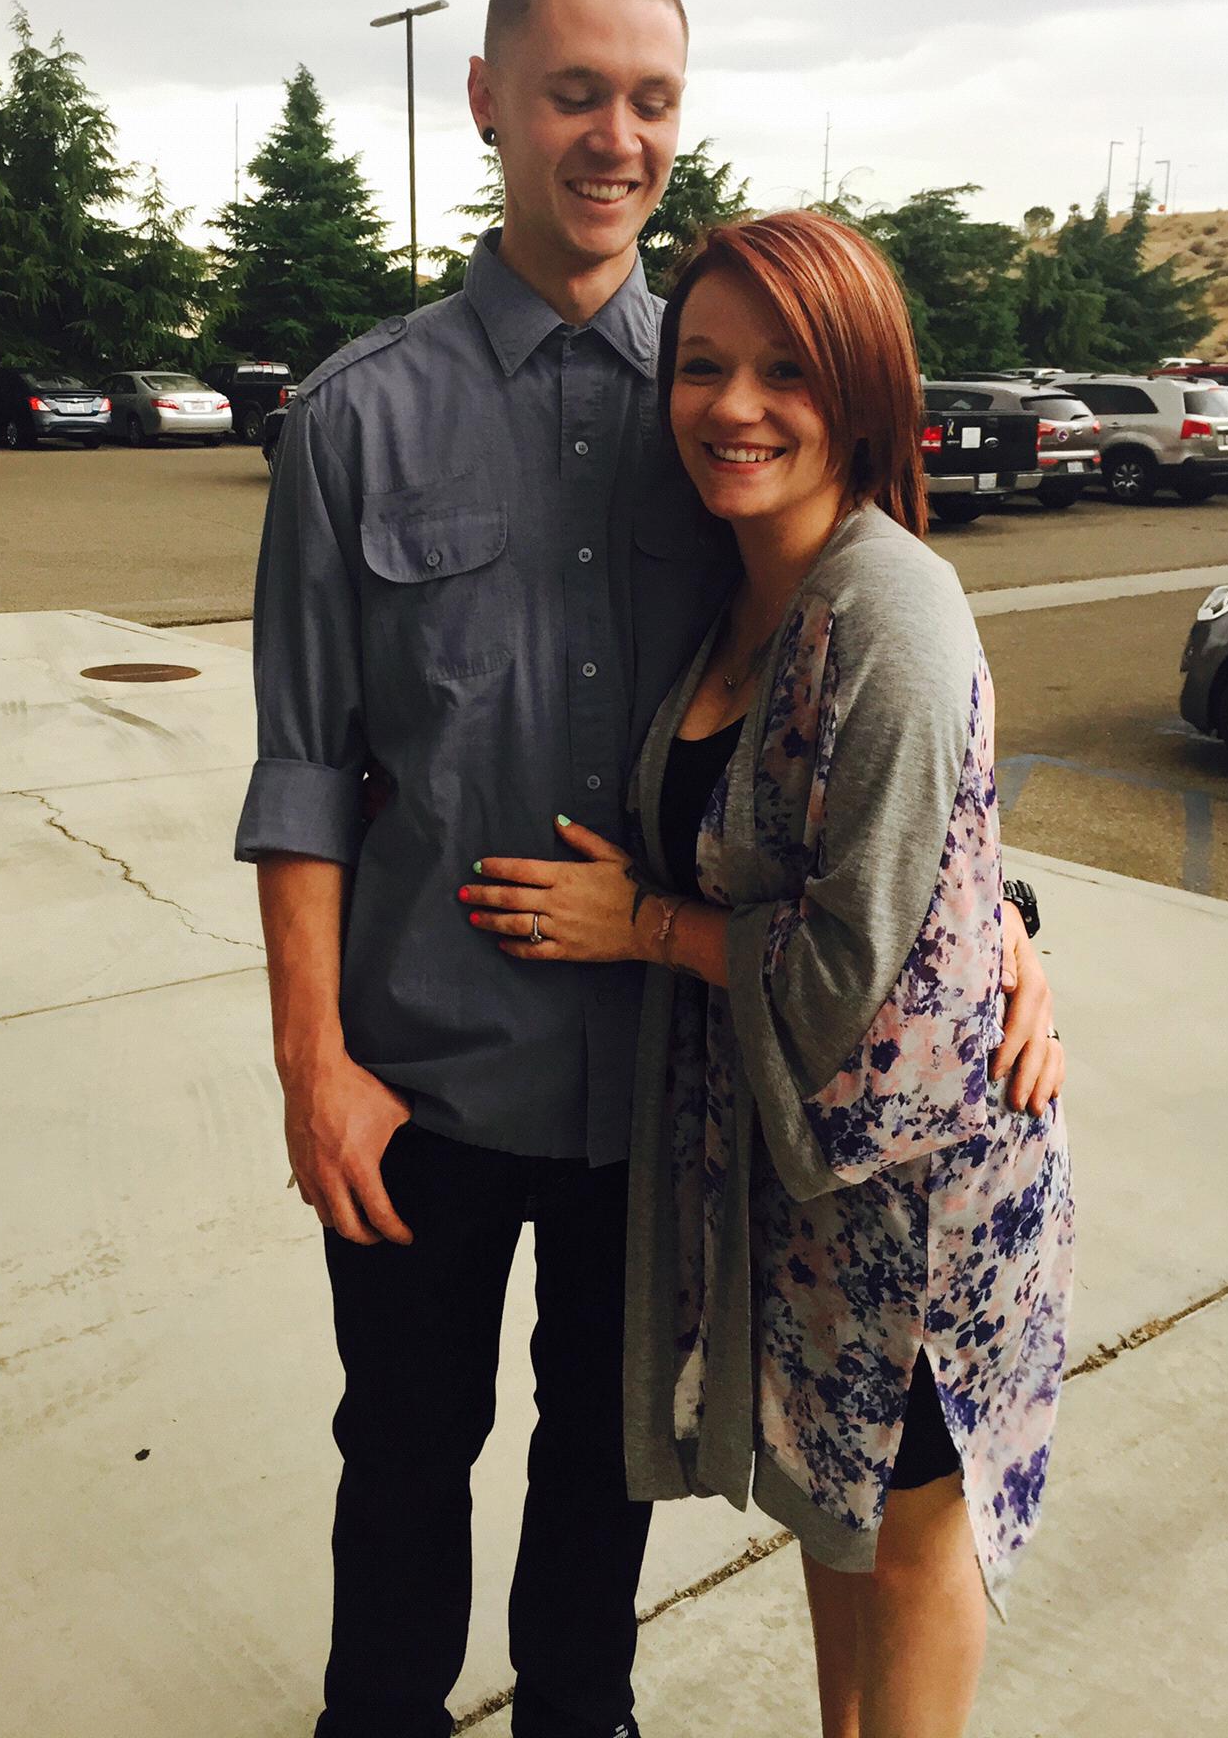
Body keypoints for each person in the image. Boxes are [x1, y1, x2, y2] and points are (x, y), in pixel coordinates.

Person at [236, 0, 1063, 1738]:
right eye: (574, 93)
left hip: (674, 1095)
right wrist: (314, 1067)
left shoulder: (724, 407)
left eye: (652, 100)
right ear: (488, 102)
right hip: (424, 1082)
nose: (616, 137)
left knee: (606, 1471)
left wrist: (1001, 926)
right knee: (402, 1454)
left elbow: (876, 726)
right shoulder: (359, 420)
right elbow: (302, 774)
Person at [462, 212, 1073, 1738]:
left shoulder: (890, 610)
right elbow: (941, 850)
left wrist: (640, 926)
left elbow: (855, 964)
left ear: (861, 390)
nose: (735, 405)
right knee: (836, 1518)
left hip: (917, 1186)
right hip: (804, 1185)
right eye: (704, 365)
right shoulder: (748, 590)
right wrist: (1010, 923)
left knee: (911, 1547)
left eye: (787, 369)